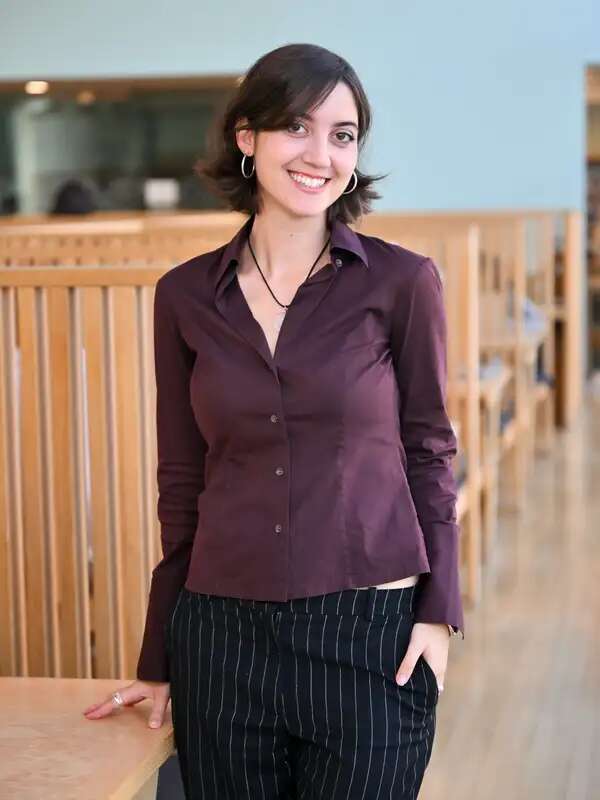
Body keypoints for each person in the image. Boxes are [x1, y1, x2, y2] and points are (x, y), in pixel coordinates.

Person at [83, 42, 464, 799]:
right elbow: (183, 480)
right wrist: (158, 654)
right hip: (222, 641)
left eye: (343, 133)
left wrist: (438, 612)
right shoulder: (185, 297)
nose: (320, 153)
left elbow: (430, 449)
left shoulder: (402, 282)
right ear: (246, 135)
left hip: (370, 634)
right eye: (297, 126)